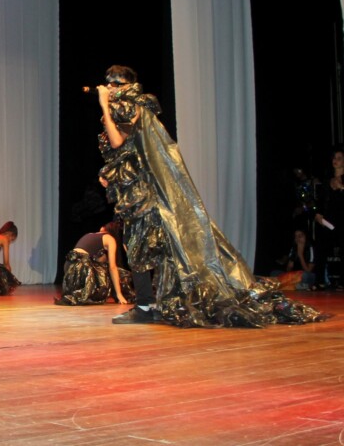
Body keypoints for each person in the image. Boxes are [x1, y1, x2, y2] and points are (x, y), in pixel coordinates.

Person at [95, 64, 325, 327]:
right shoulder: (127, 110)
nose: (110, 87)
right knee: (146, 247)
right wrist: (110, 175)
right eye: (108, 82)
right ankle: (154, 303)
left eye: (116, 83)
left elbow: (118, 142)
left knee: (143, 245)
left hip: (146, 195)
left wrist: (104, 105)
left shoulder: (133, 108)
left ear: (129, 85)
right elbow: (127, 153)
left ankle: (148, 306)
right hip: (137, 192)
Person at [55, 221, 134, 305]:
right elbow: (112, 268)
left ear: (103, 229)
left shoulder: (89, 235)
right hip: (82, 269)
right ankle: (123, 296)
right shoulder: (110, 239)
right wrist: (119, 294)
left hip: (68, 268)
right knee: (119, 273)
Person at [315, 147, 344, 288]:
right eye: (334, 158)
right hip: (328, 220)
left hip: (342, 219)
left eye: (339, 158)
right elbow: (321, 201)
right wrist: (318, 214)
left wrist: (342, 188)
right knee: (321, 247)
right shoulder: (327, 181)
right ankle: (320, 281)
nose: (335, 160)